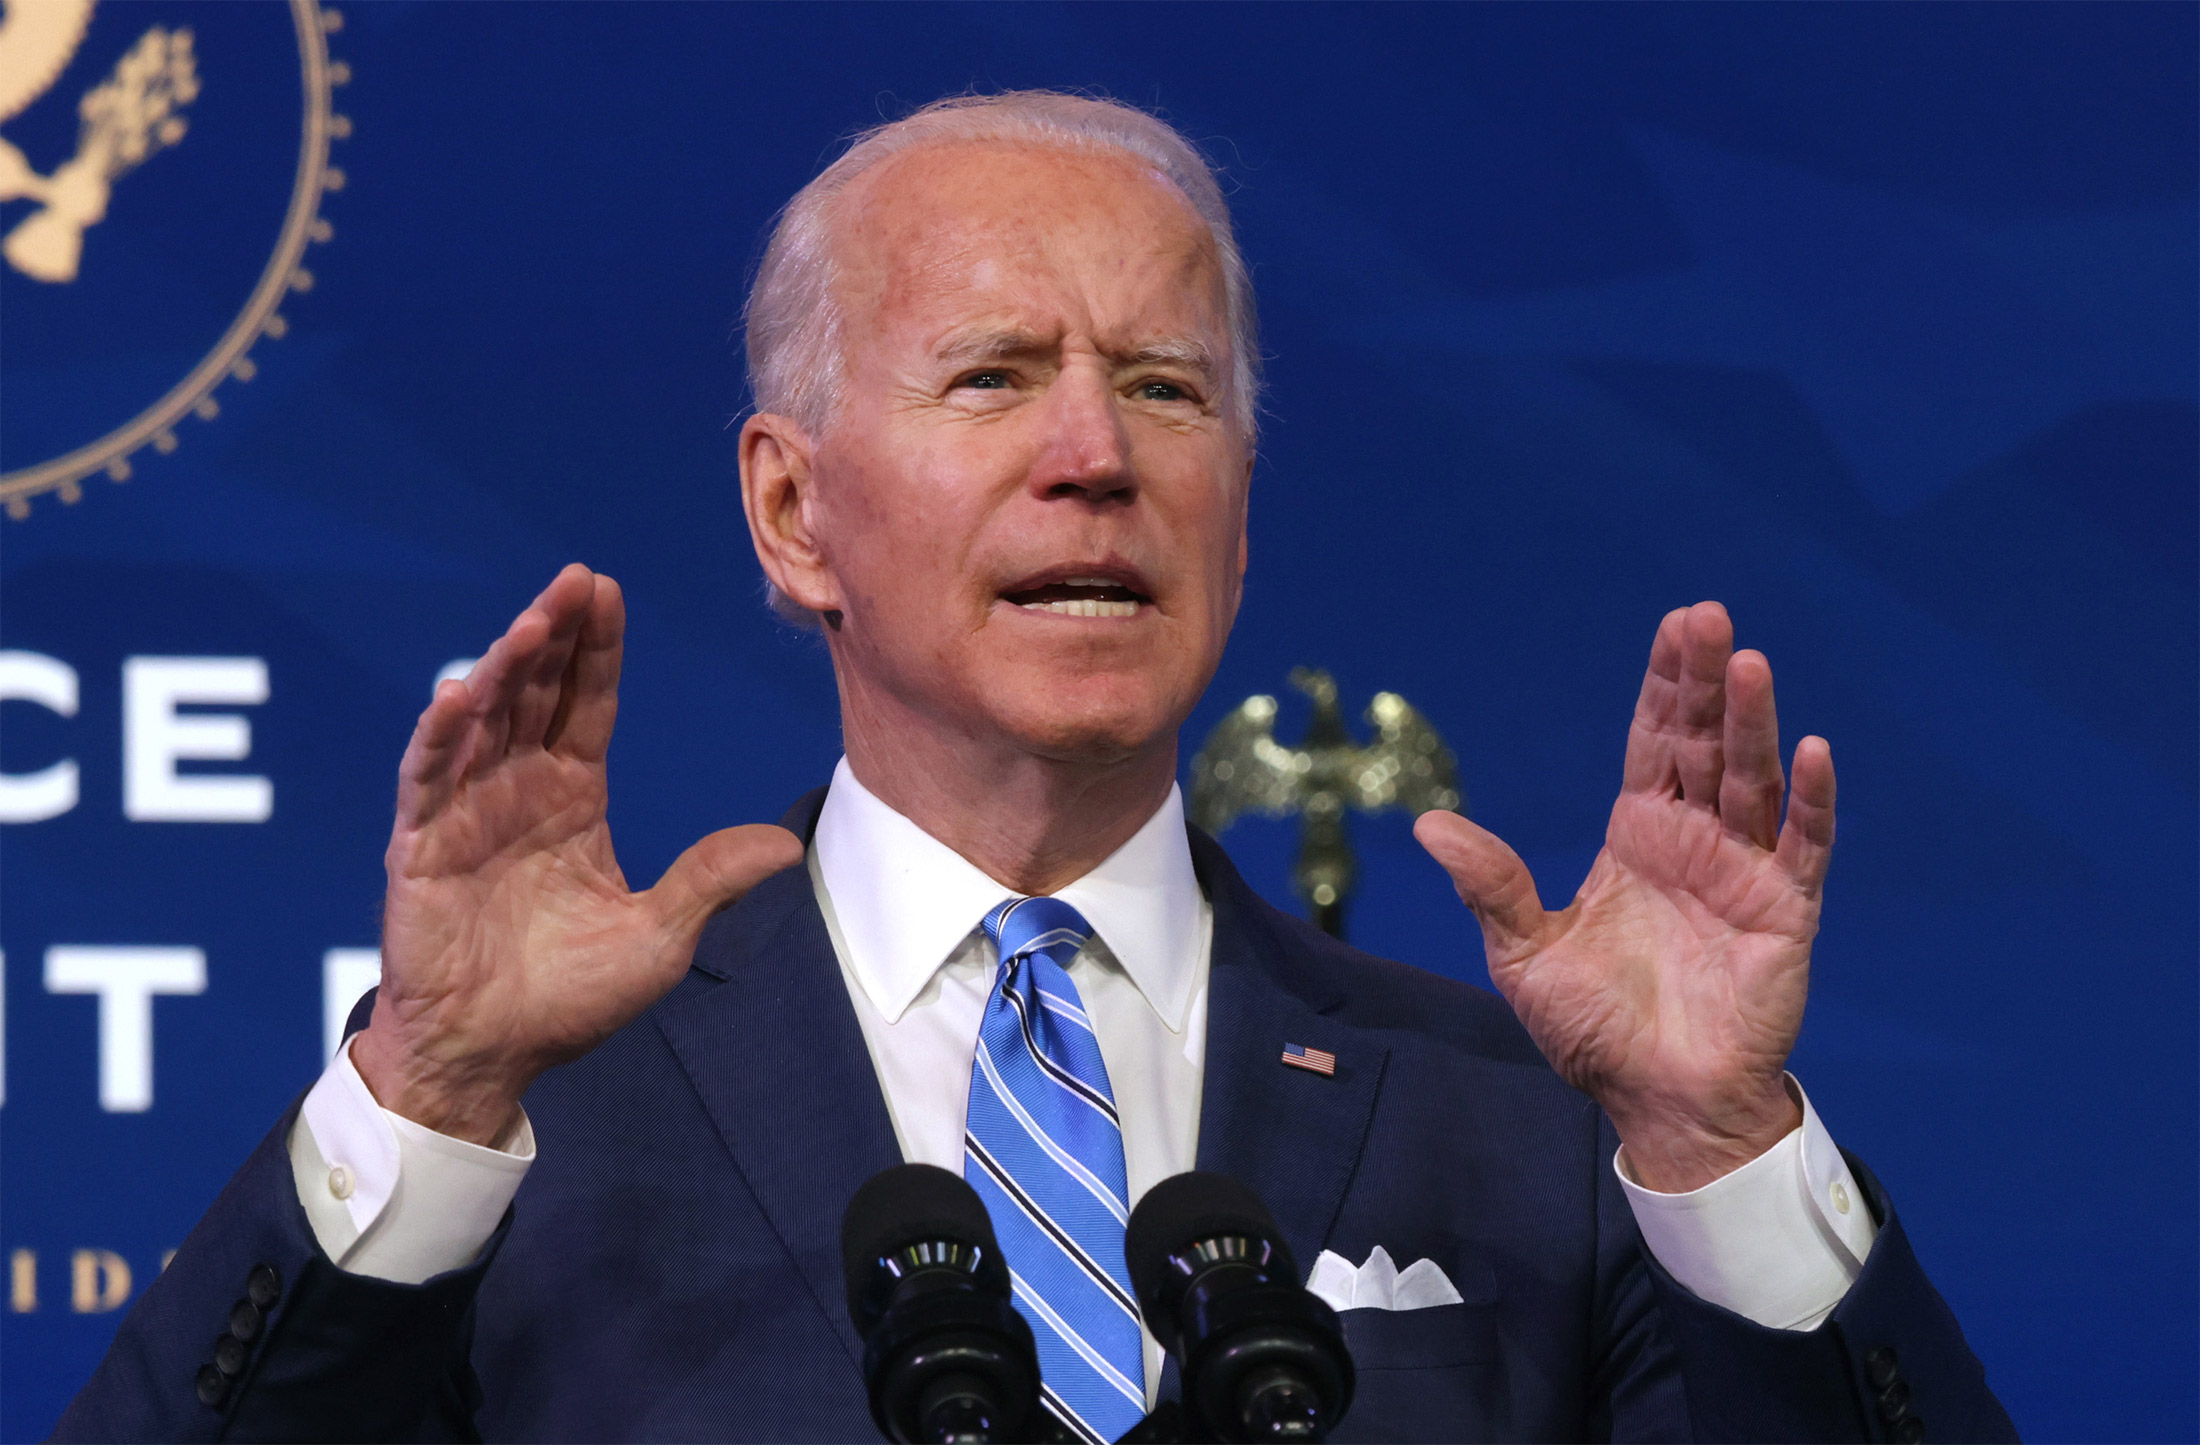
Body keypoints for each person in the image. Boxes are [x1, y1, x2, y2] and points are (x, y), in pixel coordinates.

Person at [59, 92, 2011, 1443]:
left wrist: (1717, 1145)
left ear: (1237, 523)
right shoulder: (538, 1117)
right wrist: (426, 1088)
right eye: (993, 376)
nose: (1097, 453)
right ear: (792, 510)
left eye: (1165, 389)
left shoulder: (1519, 1117)